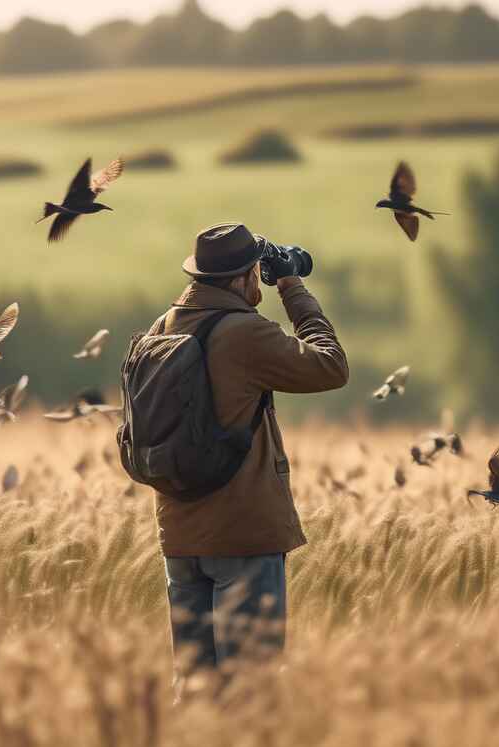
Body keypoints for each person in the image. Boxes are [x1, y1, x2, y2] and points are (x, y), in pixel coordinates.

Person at [148, 222, 349, 681]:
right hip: (244, 533)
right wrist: (293, 286)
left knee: (196, 689)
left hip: (179, 536)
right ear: (243, 278)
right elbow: (331, 366)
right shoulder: (242, 332)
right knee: (249, 692)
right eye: (257, 272)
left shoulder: (163, 327)